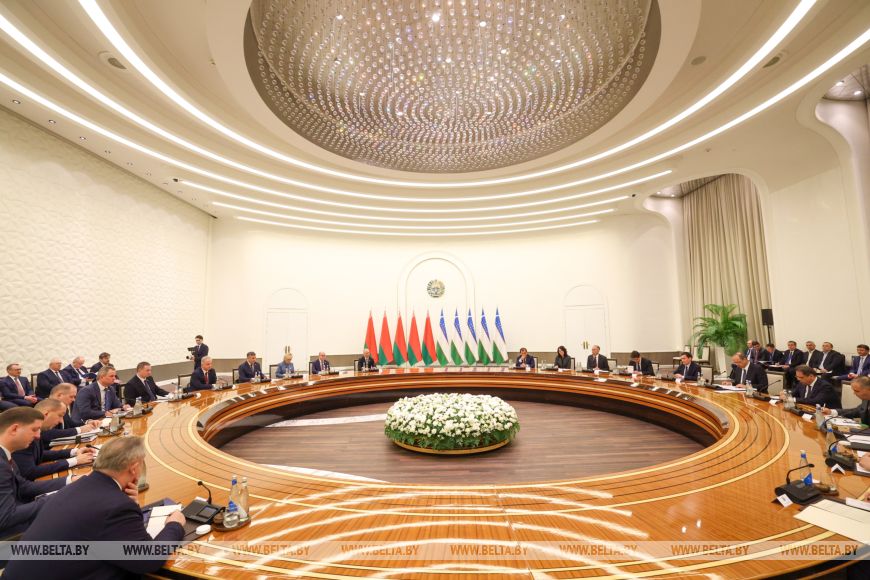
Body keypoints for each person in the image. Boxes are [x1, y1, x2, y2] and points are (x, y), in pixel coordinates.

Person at [3, 436, 186, 579]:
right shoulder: (115, 506)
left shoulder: (77, 487)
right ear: (134, 468)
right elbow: (148, 559)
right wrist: (174, 525)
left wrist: (130, 505)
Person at [0, 407, 66, 538]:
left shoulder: (5, 454)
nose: (38, 436)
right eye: (34, 429)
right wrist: (56, 497)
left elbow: (23, 486)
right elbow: (7, 517)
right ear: (14, 429)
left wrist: (69, 481)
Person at [12, 399, 94, 481]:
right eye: (60, 416)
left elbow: (40, 454)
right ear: (46, 414)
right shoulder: (23, 435)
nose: (61, 421)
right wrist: (74, 461)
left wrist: (74, 452)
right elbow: (30, 472)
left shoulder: (35, 430)